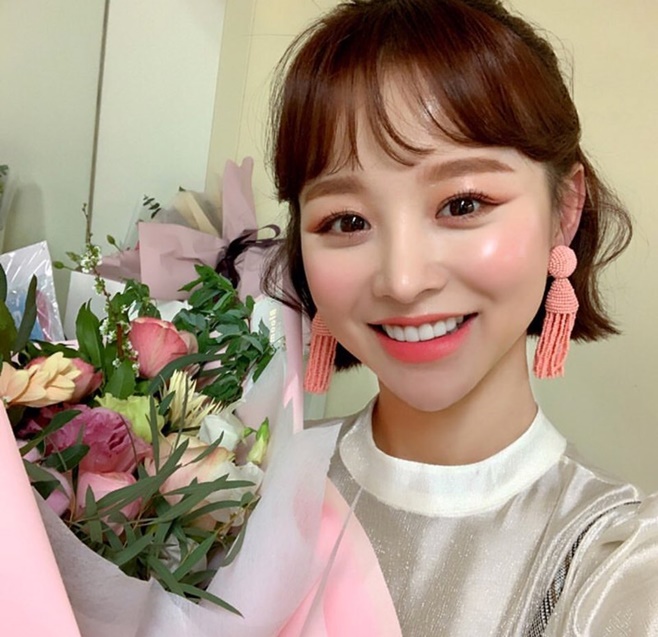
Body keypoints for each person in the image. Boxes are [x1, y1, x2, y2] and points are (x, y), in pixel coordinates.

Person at [264, 0, 658, 634]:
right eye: (347, 220)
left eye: (463, 204)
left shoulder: (617, 568)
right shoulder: (245, 489)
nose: (402, 280)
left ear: (564, 210)